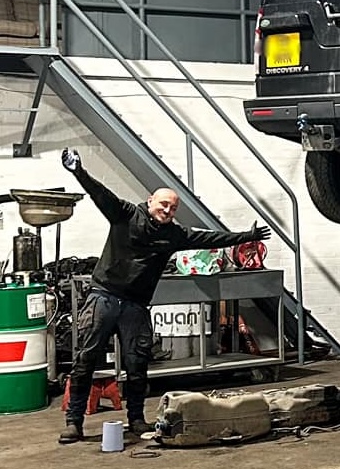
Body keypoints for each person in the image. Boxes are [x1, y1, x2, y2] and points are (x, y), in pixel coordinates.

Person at [58, 148, 271, 444]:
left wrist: (245, 237)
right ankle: (74, 423)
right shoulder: (125, 214)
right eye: (163, 204)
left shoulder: (174, 235)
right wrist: (79, 171)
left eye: (173, 207)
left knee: (137, 365)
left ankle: (135, 419)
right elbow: (100, 194)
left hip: (135, 306)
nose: (168, 210)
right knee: (85, 361)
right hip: (103, 297)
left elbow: (209, 238)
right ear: (150, 201)